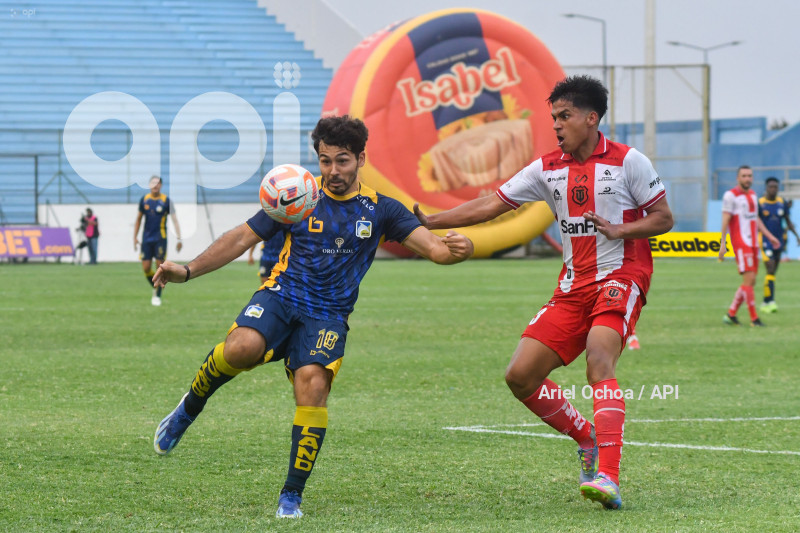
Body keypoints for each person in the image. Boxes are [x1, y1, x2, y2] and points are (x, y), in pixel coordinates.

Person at [151, 116, 474, 519]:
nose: (333, 171)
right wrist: (187, 270)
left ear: (361, 158)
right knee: (240, 348)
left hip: (328, 315)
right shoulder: (297, 197)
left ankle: (291, 495)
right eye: (325, 161)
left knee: (312, 386)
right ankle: (188, 409)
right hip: (282, 296)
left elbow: (436, 250)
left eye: (342, 161)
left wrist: (460, 247)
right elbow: (241, 237)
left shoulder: (381, 209)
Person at [414, 75, 674, 510]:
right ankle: (586, 437)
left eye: (565, 116)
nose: (556, 125)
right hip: (573, 286)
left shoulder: (630, 162)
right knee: (520, 375)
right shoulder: (547, 167)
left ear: (591, 118)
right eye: (553, 117)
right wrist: (431, 222)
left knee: (599, 358)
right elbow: (490, 204)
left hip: (621, 274)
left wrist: (619, 229)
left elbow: (664, 217)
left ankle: (608, 476)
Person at [719, 166, 780, 326]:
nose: (747, 179)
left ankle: (731, 314)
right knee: (749, 279)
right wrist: (722, 244)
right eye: (744, 176)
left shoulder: (753, 196)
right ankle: (754, 319)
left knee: (750, 282)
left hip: (753, 243)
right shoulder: (731, 196)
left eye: (750, 176)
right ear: (738, 178)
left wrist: (770, 236)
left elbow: (756, 220)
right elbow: (725, 220)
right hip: (741, 243)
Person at [133, 176, 183, 306]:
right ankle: (156, 287)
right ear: (149, 185)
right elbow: (138, 220)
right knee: (146, 268)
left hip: (160, 238)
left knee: (160, 268)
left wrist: (179, 238)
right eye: (153, 183)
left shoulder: (166, 201)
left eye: (158, 183)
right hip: (146, 239)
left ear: (161, 185)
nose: (155, 186)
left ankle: (158, 295)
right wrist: (135, 237)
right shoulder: (144, 200)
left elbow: (175, 220)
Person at [758, 176, 799, 313]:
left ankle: (765, 301)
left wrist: (797, 236)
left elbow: (788, 221)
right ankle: (771, 301)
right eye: (771, 187)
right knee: (769, 268)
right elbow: (756, 223)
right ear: (766, 188)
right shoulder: (760, 203)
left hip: (779, 242)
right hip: (765, 241)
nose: (773, 189)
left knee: (773, 272)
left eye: (775, 187)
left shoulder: (781, 203)